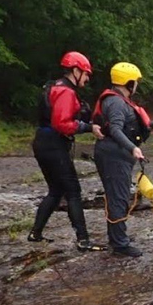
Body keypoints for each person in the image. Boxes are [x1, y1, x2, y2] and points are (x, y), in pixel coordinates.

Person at [92, 62, 153, 257]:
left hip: (117, 154)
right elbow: (115, 129)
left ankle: (118, 238)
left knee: (118, 196)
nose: (137, 85)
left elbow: (134, 126)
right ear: (128, 83)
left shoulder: (119, 101)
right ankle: (120, 245)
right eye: (135, 82)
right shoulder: (116, 103)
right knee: (118, 197)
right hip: (114, 155)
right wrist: (133, 148)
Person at [28, 51, 104, 250]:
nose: (87, 79)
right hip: (53, 144)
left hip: (43, 142)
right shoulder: (66, 92)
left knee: (56, 190)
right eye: (86, 74)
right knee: (73, 191)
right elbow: (62, 124)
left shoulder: (55, 86)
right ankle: (83, 240)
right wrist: (88, 128)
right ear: (76, 71)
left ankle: (35, 233)